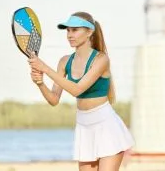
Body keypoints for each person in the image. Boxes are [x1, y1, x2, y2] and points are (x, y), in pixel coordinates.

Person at [28, 12, 134, 171]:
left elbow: (77, 90)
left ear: (90, 32)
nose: (70, 35)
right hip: (84, 127)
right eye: (68, 30)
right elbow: (53, 100)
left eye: (75, 30)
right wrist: (40, 83)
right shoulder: (65, 62)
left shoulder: (101, 59)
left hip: (106, 126)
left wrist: (44, 68)